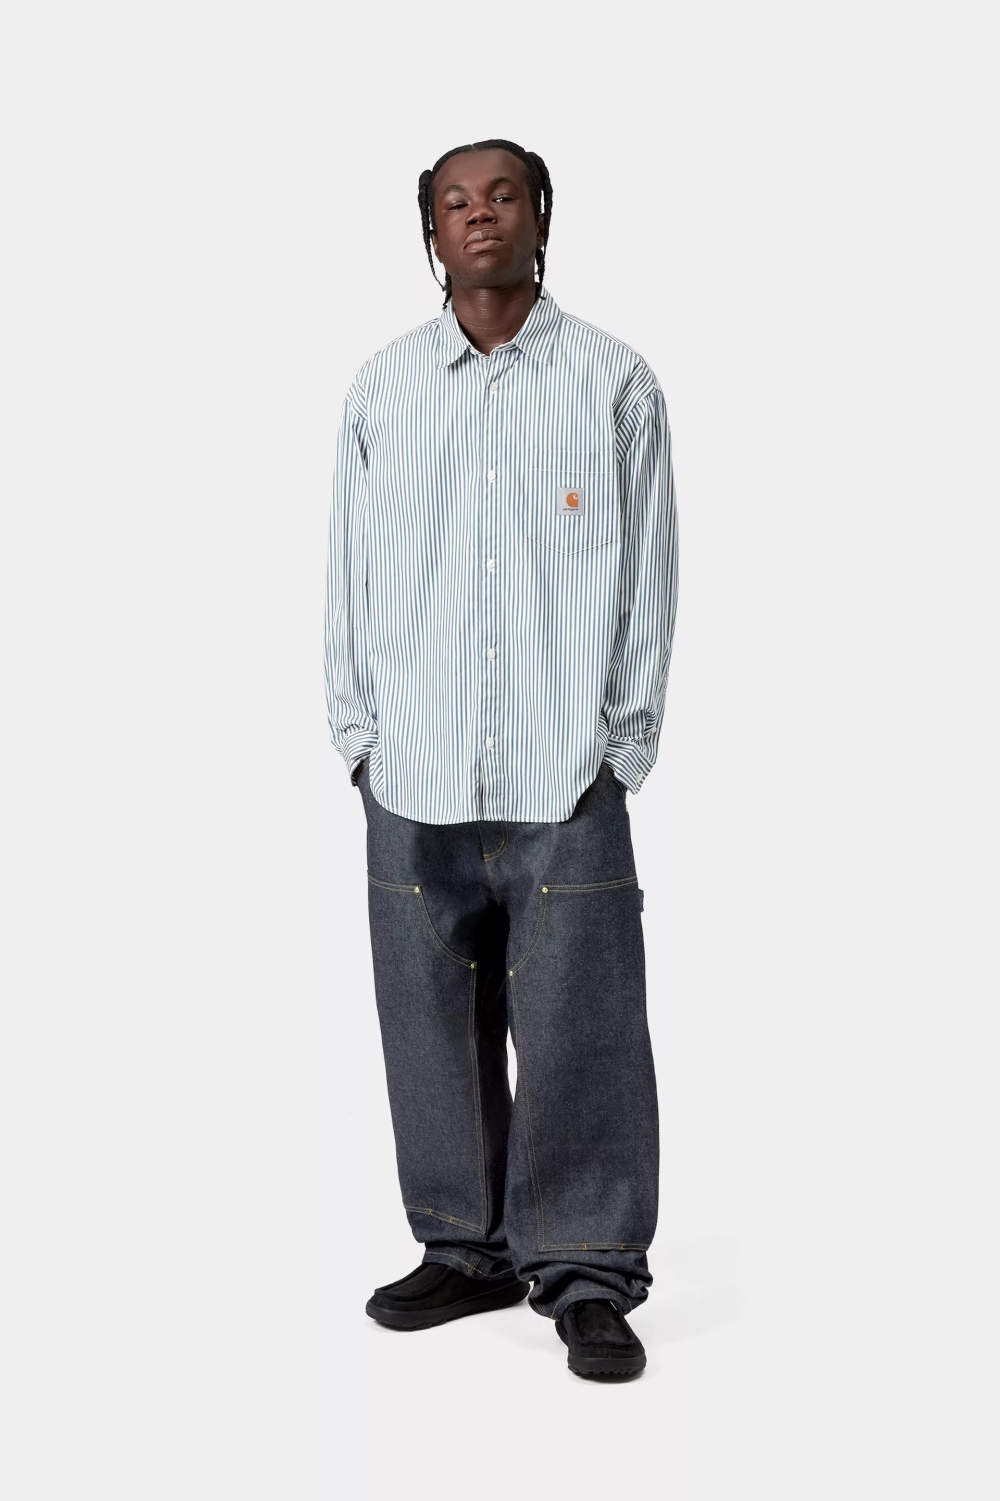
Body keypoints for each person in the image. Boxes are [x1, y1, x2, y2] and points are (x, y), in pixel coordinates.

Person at [324, 137, 679, 1380]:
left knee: (584, 1028)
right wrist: (359, 739)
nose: (479, 217)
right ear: (430, 234)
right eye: (453, 203)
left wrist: (621, 744)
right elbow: (349, 573)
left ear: (542, 215)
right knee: (427, 1024)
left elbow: (649, 574)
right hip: (411, 769)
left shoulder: (613, 382)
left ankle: (586, 1271)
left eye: (502, 196)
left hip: (564, 774)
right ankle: (464, 1247)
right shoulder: (382, 389)